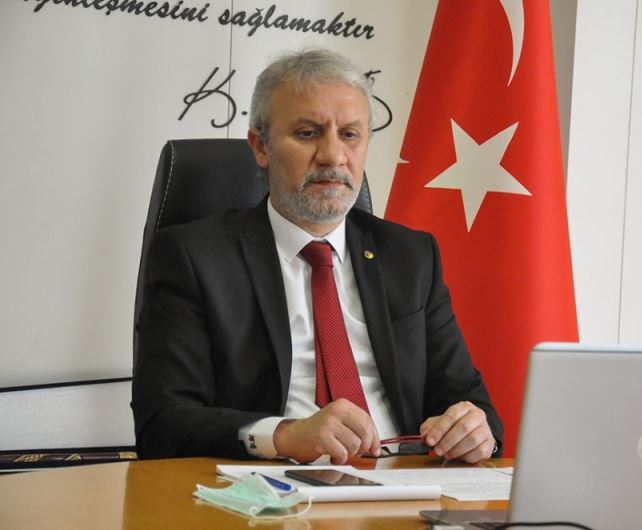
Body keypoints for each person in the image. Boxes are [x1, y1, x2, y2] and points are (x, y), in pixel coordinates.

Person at [132, 48, 502, 465]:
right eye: (308, 133)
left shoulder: (410, 256)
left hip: (404, 480)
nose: (333, 156)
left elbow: (469, 402)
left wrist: (475, 430)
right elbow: (162, 424)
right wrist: (285, 435)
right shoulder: (196, 258)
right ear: (260, 147)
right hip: (274, 488)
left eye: (350, 135)